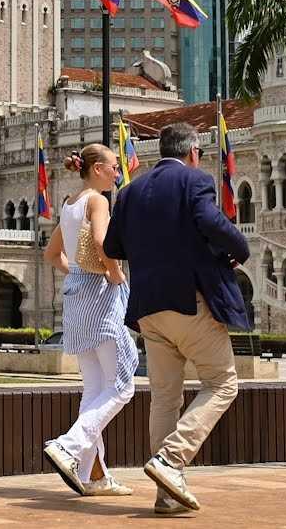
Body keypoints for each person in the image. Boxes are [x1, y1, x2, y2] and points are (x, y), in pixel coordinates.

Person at [104, 122, 251, 514]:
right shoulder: (195, 181)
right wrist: (238, 247)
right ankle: (171, 459)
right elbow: (210, 221)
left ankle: (166, 494)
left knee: (165, 398)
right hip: (190, 302)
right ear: (193, 152)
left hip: (148, 308)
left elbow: (111, 245)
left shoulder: (130, 192)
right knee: (222, 383)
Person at [41, 144, 137, 498]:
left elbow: (52, 254)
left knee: (95, 389)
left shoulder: (68, 204)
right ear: (96, 168)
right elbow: (101, 241)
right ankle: (69, 444)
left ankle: (93, 474)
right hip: (99, 297)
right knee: (123, 384)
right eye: (114, 166)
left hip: (76, 299)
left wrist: (77, 273)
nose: (118, 171)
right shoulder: (97, 201)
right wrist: (113, 273)